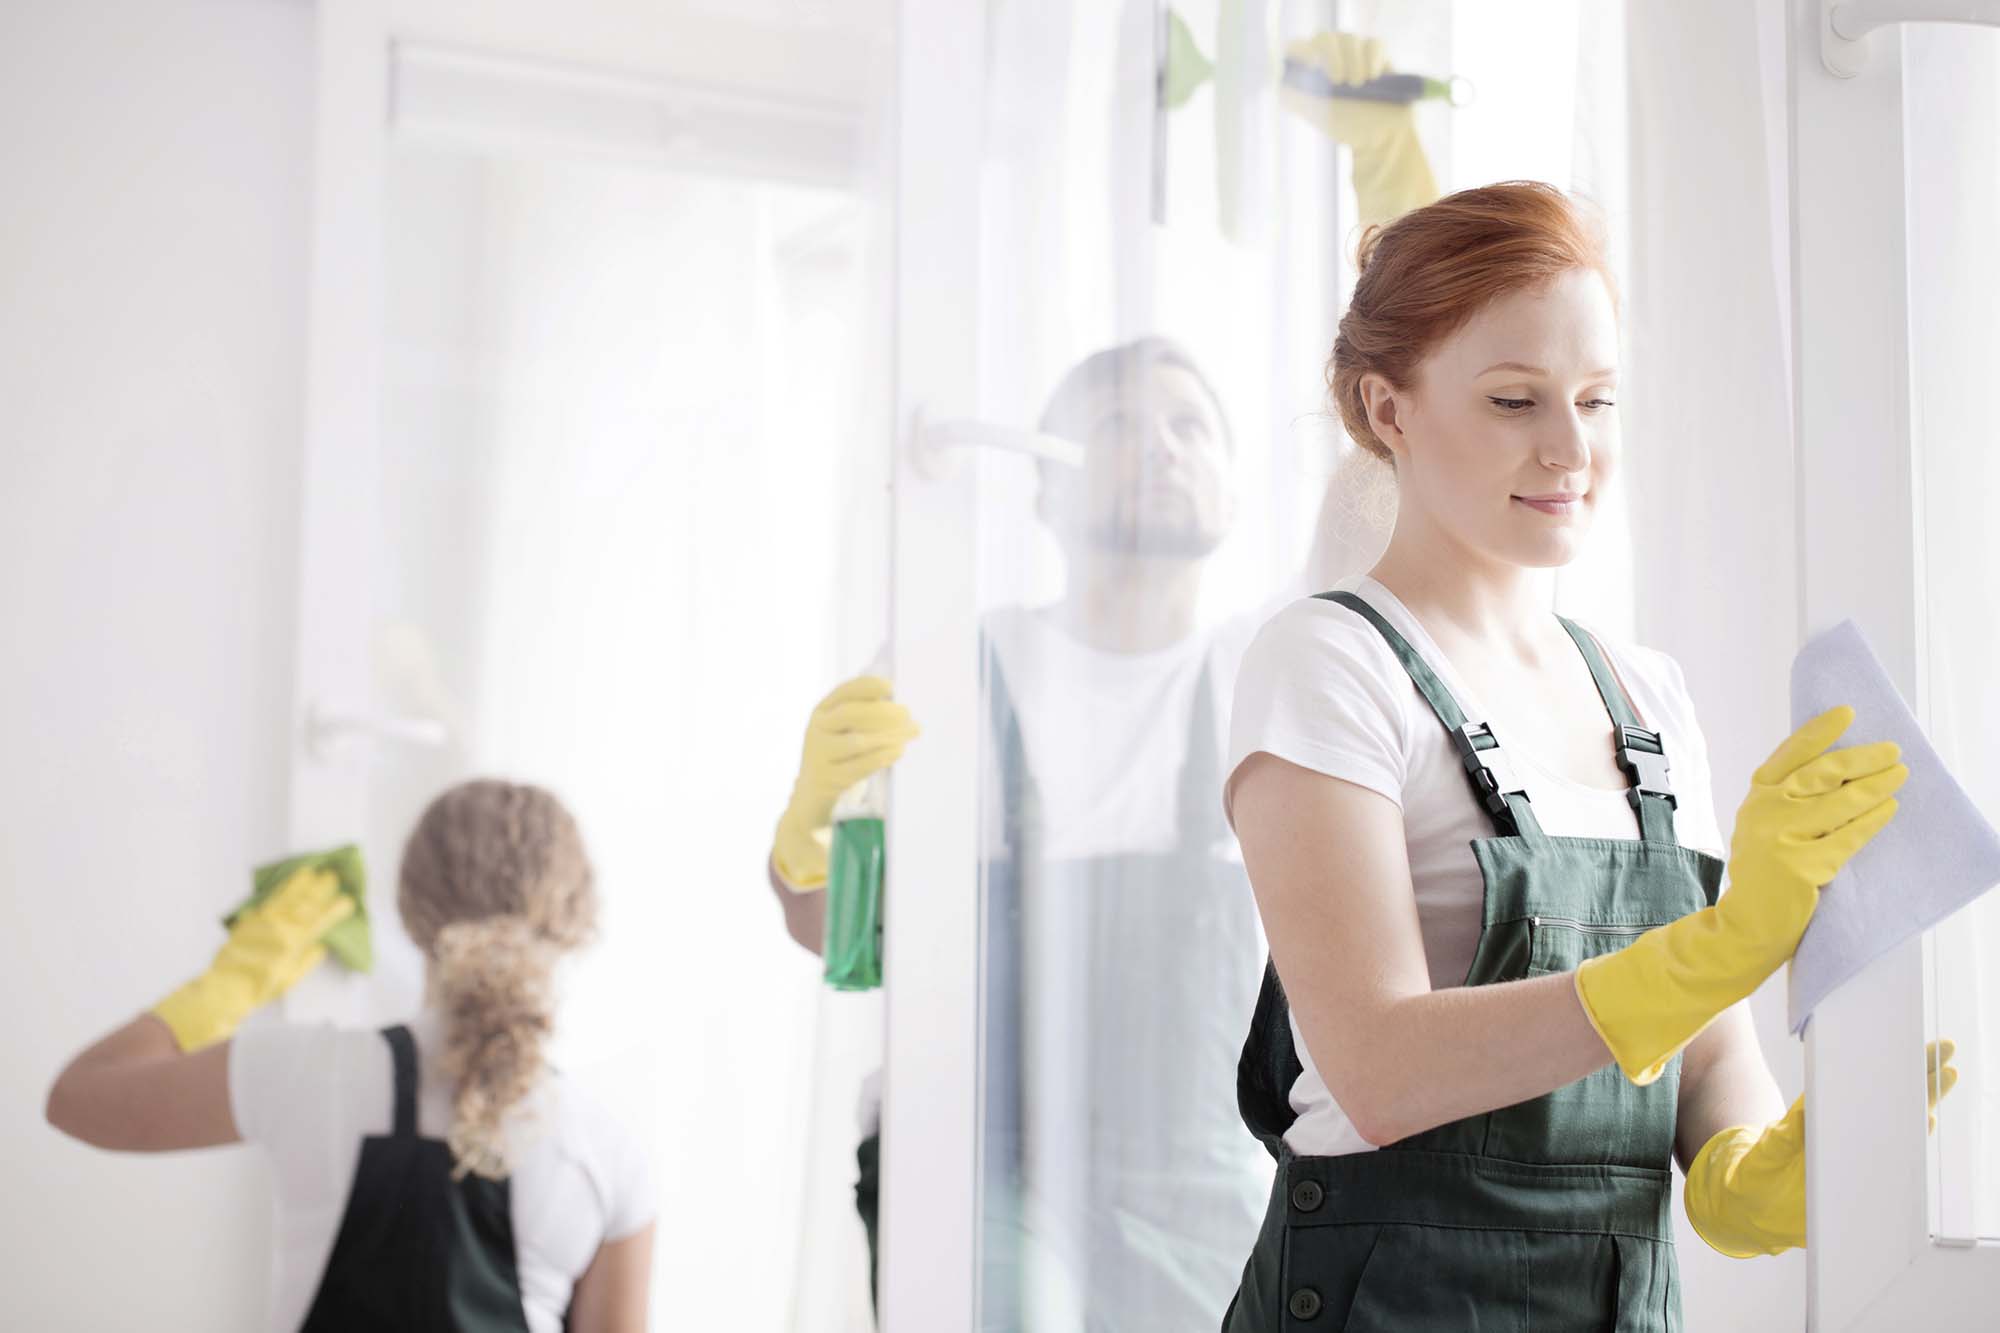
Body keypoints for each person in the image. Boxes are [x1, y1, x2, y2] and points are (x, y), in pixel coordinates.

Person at [1217, 180, 1930, 1328]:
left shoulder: (1643, 694)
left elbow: (1699, 1063)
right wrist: (1725, 938)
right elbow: (1378, 1065)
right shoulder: (1325, 662)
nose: (1568, 450)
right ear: (1385, 408)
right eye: (1513, 400)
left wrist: (1760, 1171)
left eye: (1595, 401)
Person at [46, 779, 655, 1333]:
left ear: (412, 910)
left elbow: (78, 1099)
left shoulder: (308, 1074)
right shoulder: (605, 1151)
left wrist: (235, 979)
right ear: (574, 920)